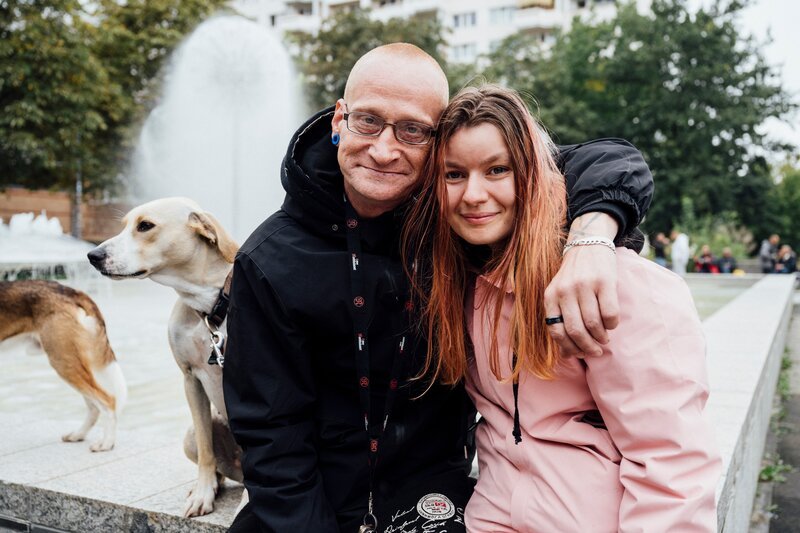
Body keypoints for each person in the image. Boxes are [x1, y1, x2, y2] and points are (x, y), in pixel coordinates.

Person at [223, 44, 653, 532]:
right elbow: (272, 436)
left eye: (412, 131)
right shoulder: (269, 260)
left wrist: (591, 238)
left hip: (433, 500)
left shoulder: (457, 216)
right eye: (368, 121)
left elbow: (611, 159)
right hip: (313, 506)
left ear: (438, 141)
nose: (385, 150)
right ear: (338, 119)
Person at [404, 84, 720, 532]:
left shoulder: (617, 283)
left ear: (533, 174)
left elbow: (672, 466)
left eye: (497, 170)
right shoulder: (463, 284)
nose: (472, 195)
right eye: (454, 175)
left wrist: (593, 235)